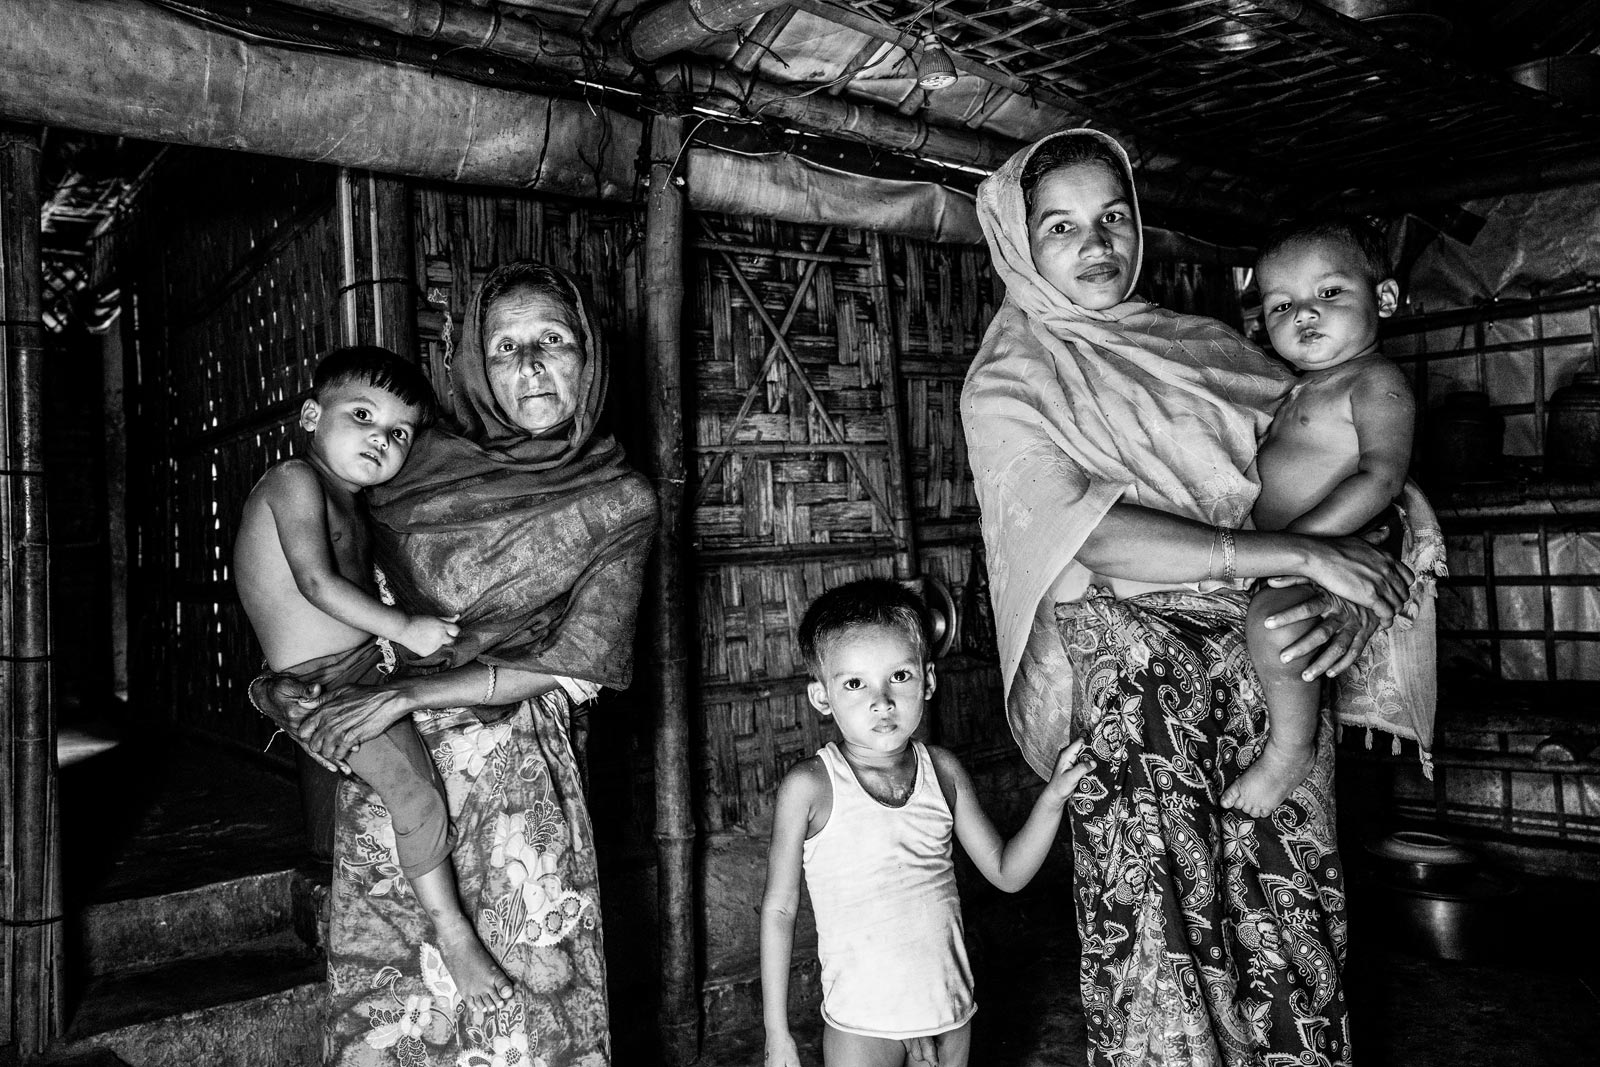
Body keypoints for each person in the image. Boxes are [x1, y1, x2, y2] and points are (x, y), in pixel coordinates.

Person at [962, 129, 1425, 1066]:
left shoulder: (1206, 346)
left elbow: (1343, 457)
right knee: (1160, 924)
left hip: (1273, 667)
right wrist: (1297, 552)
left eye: (1114, 218)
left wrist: (1353, 578)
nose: (1097, 245)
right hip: (1140, 691)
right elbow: (1086, 530)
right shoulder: (1009, 383)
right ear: (1018, 241)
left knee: (1283, 914)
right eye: (1061, 226)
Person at [249, 262, 658, 1067]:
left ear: (591, 356)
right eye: (506, 347)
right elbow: (316, 560)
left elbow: (578, 659)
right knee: (403, 1016)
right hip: (386, 758)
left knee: (527, 1011)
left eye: (554, 341)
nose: (532, 364)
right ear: (474, 362)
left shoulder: (622, 500)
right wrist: (311, 698)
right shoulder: (409, 455)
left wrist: (407, 691)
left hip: (514, 780)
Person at [235, 345, 512, 1012]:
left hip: (362, 665)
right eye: (361, 415)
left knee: (487, 683)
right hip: (327, 682)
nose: (379, 439)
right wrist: (403, 627)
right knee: (416, 792)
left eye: (397, 432)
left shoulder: (358, 500)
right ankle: (453, 930)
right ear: (311, 414)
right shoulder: (294, 480)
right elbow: (315, 582)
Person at [761, 578, 1096, 1067]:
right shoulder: (810, 788)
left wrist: (1053, 798)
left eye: (899, 675)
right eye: (855, 683)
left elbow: (1008, 873)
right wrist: (777, 1033)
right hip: (861, 1025)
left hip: (950, 1014)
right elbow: (779, 911)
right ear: (821, 697)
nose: (881, 700)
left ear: (929, 680)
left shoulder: (942, 770)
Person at [1224, 216, 1415, 817]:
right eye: (1282, 305)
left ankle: (1290, 751)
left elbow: (1381, 477)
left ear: (1382, 299)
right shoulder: (1291, 388)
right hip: (1280, 551)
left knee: (1280, 624)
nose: (1304, 314)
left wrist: (1301, 543)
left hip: (1325, 551)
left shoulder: (1374, 380)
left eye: (1329, 294)